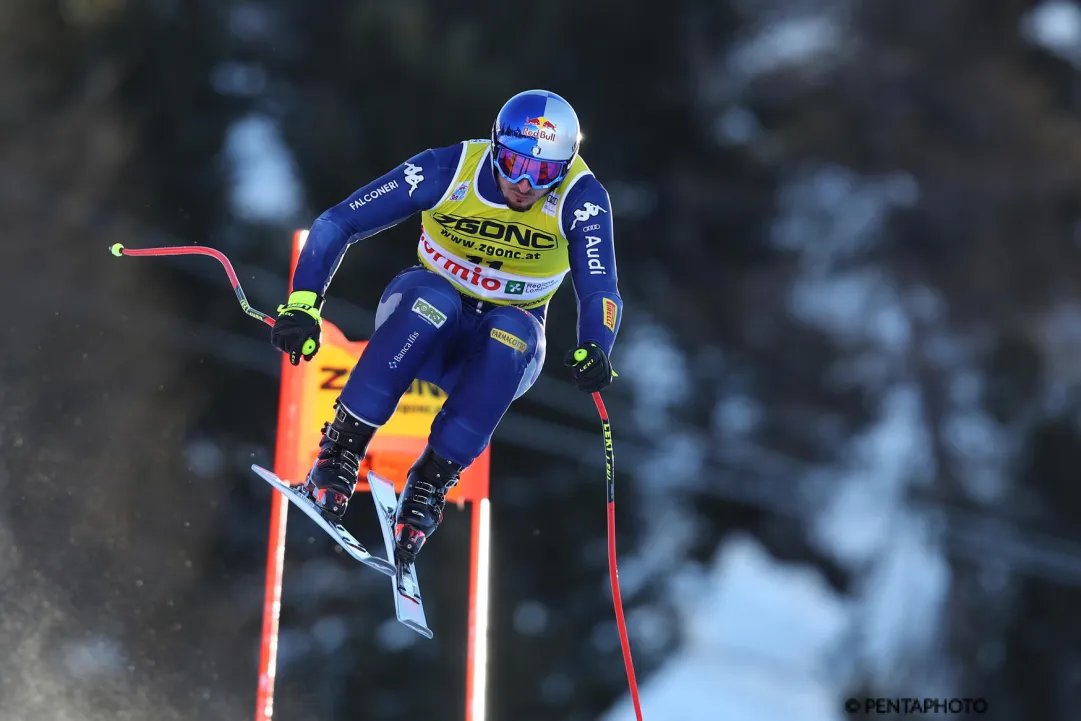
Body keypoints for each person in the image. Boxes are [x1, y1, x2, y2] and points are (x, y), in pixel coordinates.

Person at [270, 89, 622, 565]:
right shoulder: (450, 168)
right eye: (514, 163)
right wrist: (303, 304)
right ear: (496, 146)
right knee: (433, 301)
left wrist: (596, 346)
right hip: (422, 319)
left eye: (542, 173)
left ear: (563, 169)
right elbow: (338, 222)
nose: (522, 184)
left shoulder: (581, 198)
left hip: (501, 343)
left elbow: (600, 287)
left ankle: (430, 485)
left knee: (510, 333)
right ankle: (338, 455)